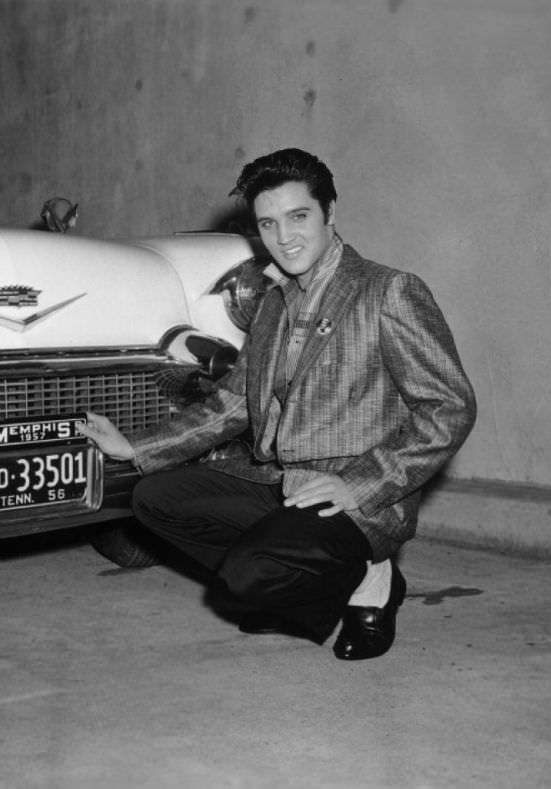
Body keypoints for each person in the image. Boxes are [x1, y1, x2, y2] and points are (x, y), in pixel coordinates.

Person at [78, 148, 476, 661]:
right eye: (268, 223)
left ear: (330, 213)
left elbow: (449, 407)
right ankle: (302, 581)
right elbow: (231, 405)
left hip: (352, 497)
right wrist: (135, 444)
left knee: (248, 579)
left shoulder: (387, 291)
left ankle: (371, 582)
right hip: (282, 483)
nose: (284, 237)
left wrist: (361, 486)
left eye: (299, 217)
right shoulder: (272, 303)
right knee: (154, 498)